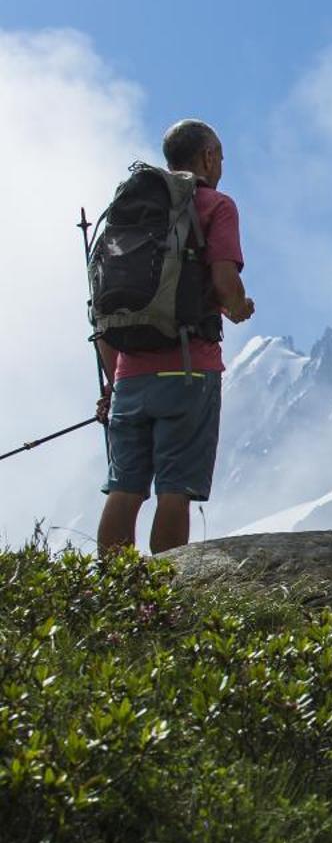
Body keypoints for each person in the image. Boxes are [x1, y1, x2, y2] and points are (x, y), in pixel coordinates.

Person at [95, 120, 253, 554]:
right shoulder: (215, 206)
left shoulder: (132, 212)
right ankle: (161, 598)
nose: (221, 163)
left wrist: (115, 383)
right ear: (207, 156)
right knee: (174, 489)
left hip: (129, 374)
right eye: (219, 154)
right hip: (189, 368)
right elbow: (224, 281)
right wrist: (239, 307)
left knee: (124, 488)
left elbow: (105, 309)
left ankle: (112, 596)